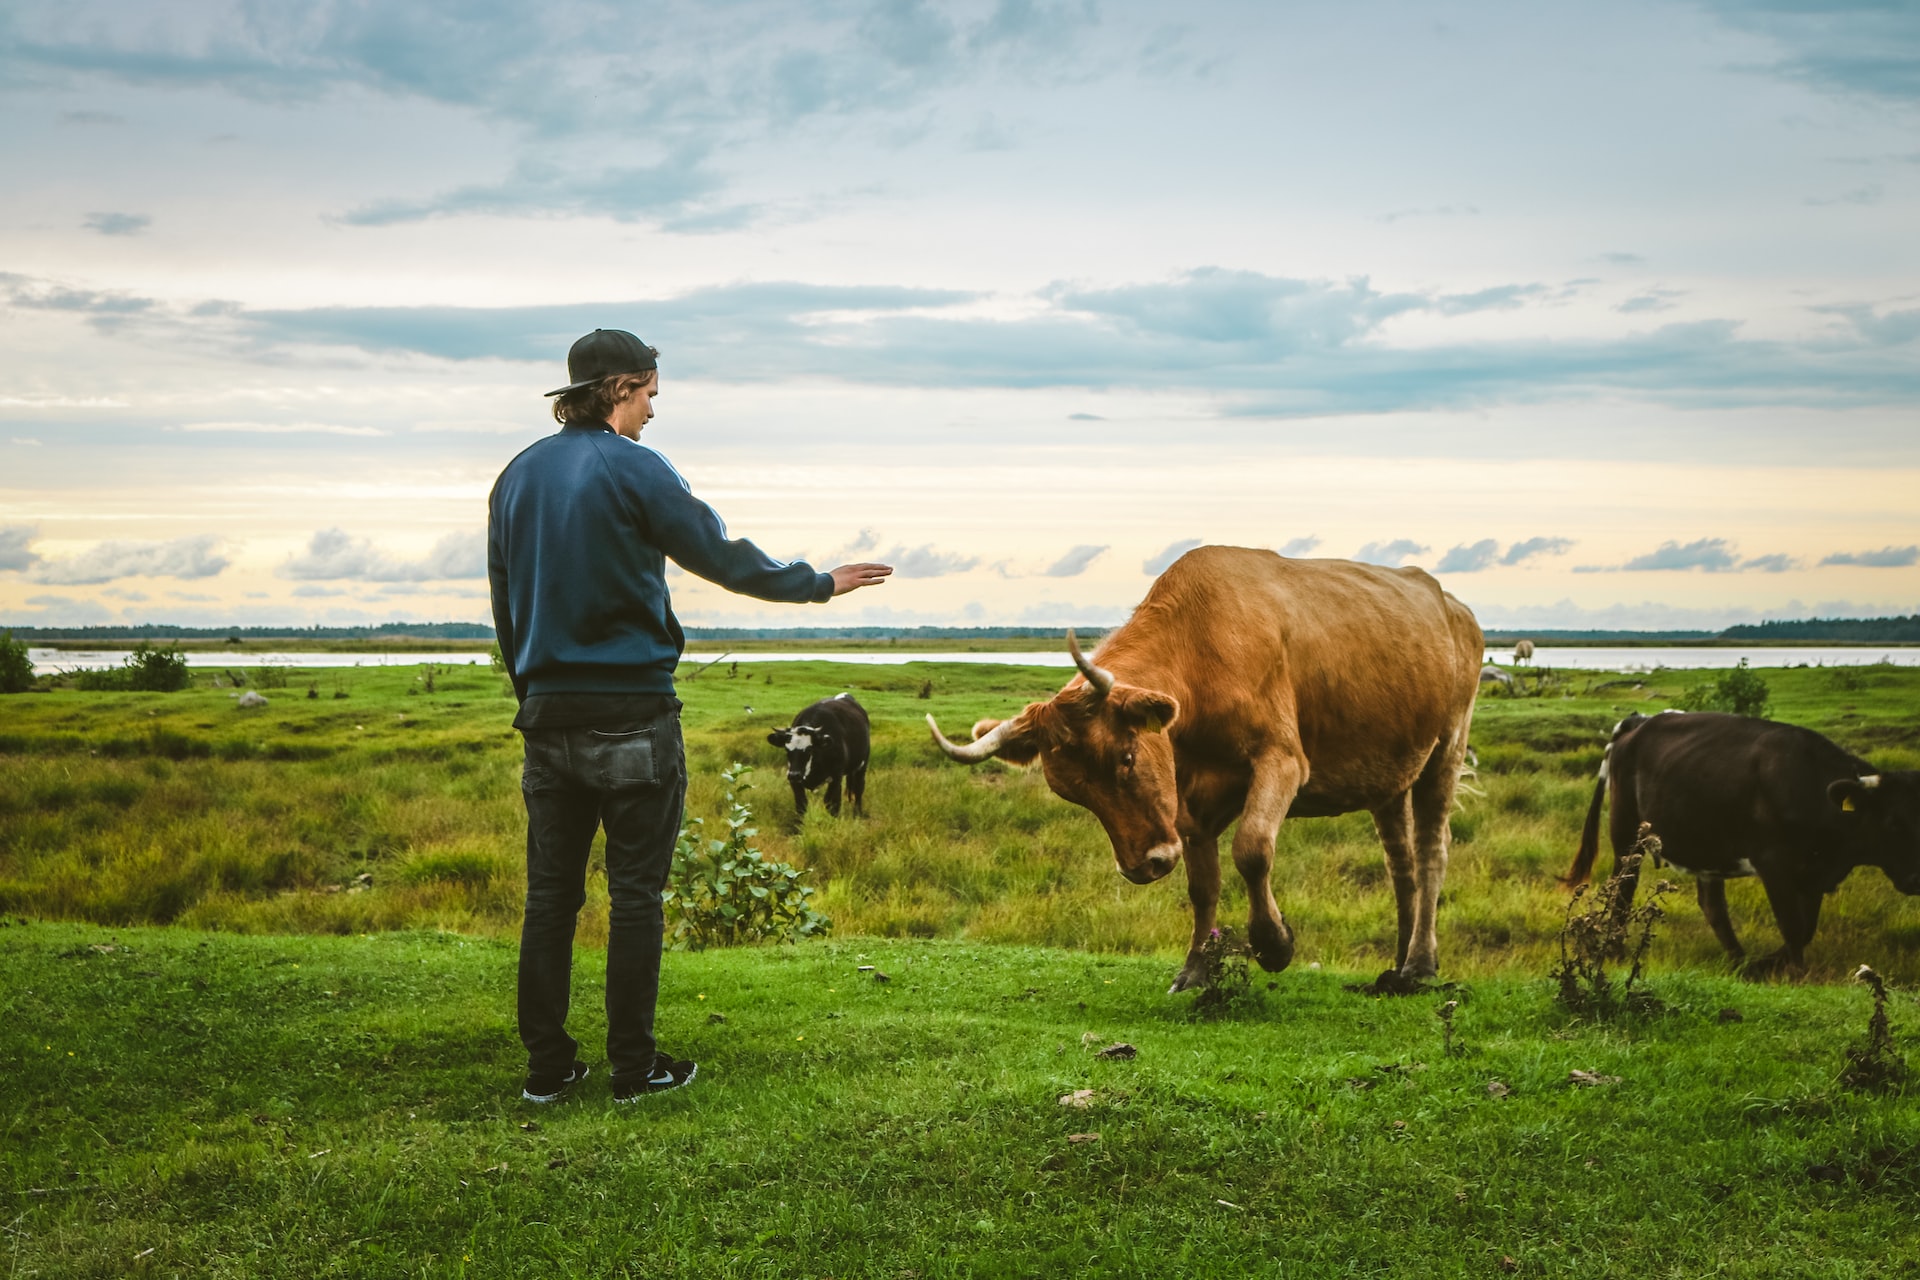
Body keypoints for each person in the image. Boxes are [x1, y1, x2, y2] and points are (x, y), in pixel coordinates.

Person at [487, 328, 891, 1104]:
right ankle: (634, 1071)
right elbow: (719, 554)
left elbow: (507, 605)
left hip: (545, 719)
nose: (650, 414)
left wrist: (531, 697)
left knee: (551, 898)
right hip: (634, 718)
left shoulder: (515, 477)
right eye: (648, 397)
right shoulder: (634, 467)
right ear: (618, 390)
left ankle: (548, 1069)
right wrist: (819, 583)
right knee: (635, 896)